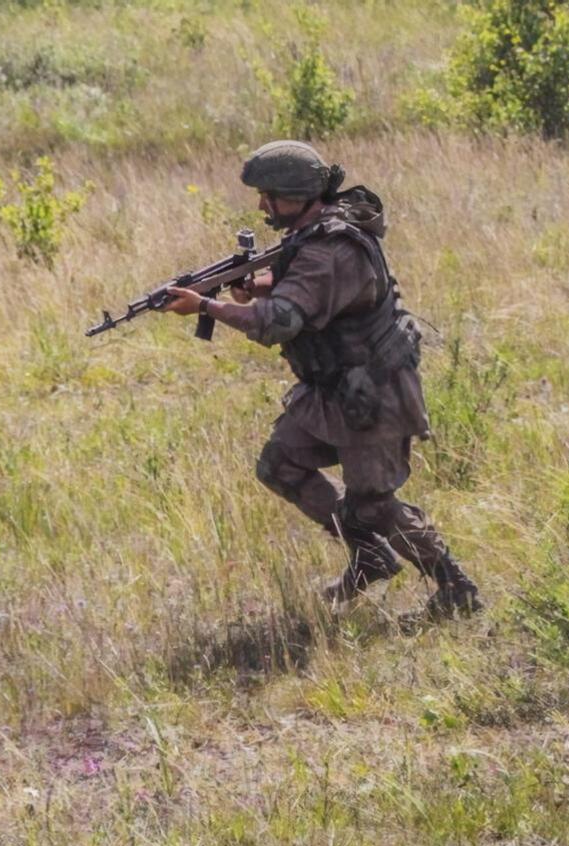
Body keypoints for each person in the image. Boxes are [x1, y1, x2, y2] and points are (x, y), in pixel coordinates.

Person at [163, 140, 481, 619]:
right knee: (280, 465)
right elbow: (306, 291)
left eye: (270, 196)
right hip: (333, 389)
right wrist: (257, 287)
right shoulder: (311, 234)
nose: (262, 206)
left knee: (372, 504)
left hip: (373, 393)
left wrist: (206, 306)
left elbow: (281, 322)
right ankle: (370, 557)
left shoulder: (333, 247)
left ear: (298, 195)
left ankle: (455, 588)